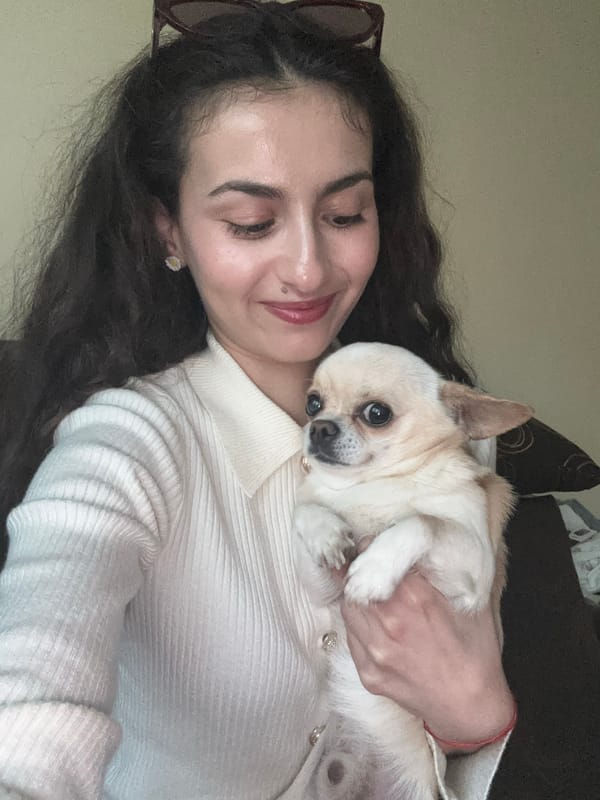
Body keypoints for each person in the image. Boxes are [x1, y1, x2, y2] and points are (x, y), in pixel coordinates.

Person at [0, 2, 517, 798]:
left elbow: (457, 734)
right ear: (167, 232)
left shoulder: (439, 429)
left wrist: (476, 715)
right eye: (250, 222)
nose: (308, 269)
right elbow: (35, 679)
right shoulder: (128, 445)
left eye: (345, 213)